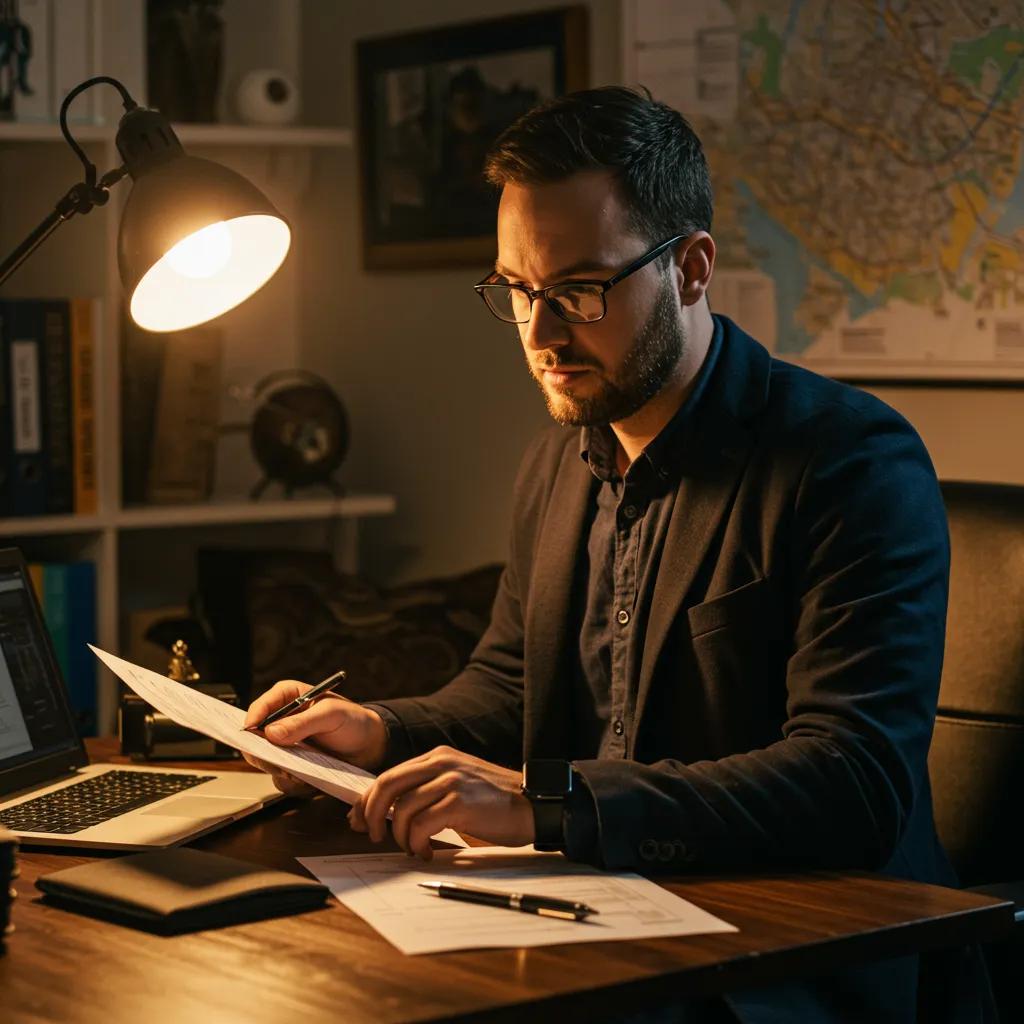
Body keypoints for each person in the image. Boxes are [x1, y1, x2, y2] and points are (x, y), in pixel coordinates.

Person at [244, 87, 979, 1022]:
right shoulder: (560, 456)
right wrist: (377, 729)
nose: (543, 336)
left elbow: (852, 779)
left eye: (579, 290)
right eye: (517, 291)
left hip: (801, 957)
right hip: (601, 920)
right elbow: (513, 685)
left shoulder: (850, 461)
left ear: (692, 269)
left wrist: (548, 806)